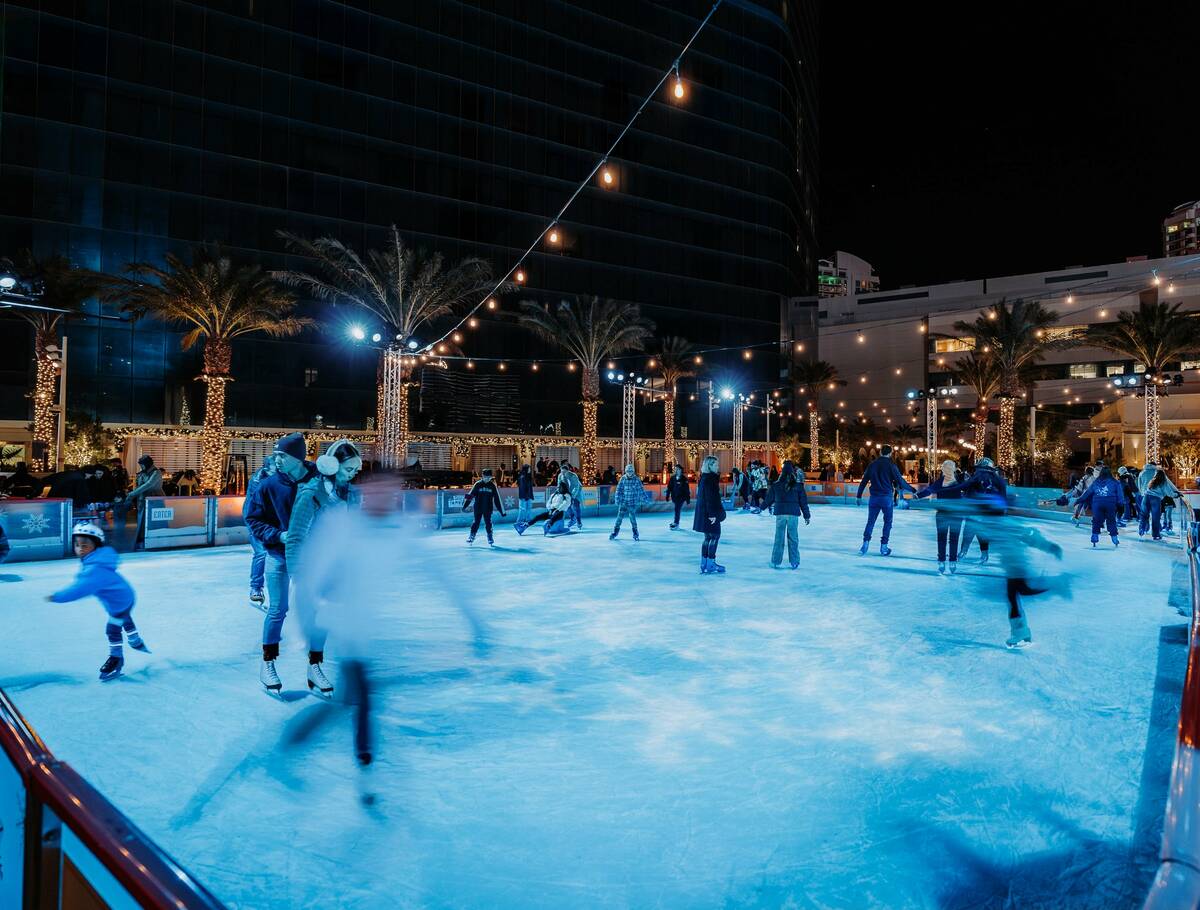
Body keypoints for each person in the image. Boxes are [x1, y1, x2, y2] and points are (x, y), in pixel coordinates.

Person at [284, 439, 362, 698]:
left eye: (355, 470)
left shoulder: (352, 494)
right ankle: (314, 665)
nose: (353, 474)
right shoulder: (311, 493)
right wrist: (297, 574)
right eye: (349, 469)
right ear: (331, 465)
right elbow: (296, 535)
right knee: (315, 620)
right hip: (314, 568)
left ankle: (320, 664)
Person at [245, 432, 317, 696]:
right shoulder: (268, 485)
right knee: (278, 608)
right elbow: (253, 519)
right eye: (275, 455)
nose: (276, 460)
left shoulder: (318, 481)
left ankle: (315, 665)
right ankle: (268, 663)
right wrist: (278, 535)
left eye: (282, 455)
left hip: (309, 557)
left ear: (297, 458)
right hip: (279, 555)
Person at [45, 521, 148, 681]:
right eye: (77, 545)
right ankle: (134, 638)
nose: (80, 549)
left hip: (119, 602)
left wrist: (57, 597)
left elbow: (78, 589)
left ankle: (116, 658)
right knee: (124, 616)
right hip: (124, 597)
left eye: (85, 545)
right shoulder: (97, 560)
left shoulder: (95, 569)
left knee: (112, 629)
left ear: (96, 546)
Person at [944, 457, 1008, 565]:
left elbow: (965, 486)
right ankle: (983, 555)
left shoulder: (979, 476)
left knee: (969, 531)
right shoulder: (998, 480)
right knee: (981, 533)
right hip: (987, 512)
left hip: (975, 510)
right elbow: (1003, 497)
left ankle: (964, 553)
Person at [856, 445, 915, 556]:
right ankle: (884, 547)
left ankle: (865, 543)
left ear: (880, 452)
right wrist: (912, 490)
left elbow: (864, 481)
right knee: (887, 522)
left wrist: (858, 496)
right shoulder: (891, 465)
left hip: (874, 498)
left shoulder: (872, 465)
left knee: (870, 521)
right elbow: (901, 481)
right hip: (886, 498)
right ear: (890, 453)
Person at [914, 459, 965, 574]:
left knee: (942, 538)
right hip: (955, 514)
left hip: (944, 514)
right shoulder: (959, 481)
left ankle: (942, 561)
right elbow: (968, 491)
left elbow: (929, 490)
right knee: (953, 538)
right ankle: (951, 562)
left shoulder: (941, 481)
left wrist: (917, 496)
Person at [764, 459, 810, 569]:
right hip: (793, 514)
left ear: (782, 472)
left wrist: (761, 508)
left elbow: (769, 499)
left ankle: (776, 561)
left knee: (779, 538)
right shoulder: (798, 486)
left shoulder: (776, 485)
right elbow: (803, 502)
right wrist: (806, 515)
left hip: (780, 514)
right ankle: (794, 561)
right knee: (793, 538)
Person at [244, 454, 276, 609]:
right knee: (261, 553)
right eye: (276, 468)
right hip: (256, 522)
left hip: (269, 522)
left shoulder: (274, 479)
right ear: (268, 468)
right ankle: (256, 588)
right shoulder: (259, 482)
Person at [1073, 465, 1124, 548]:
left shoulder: (1096, 482)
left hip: (1097, 504)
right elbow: (1120, 495)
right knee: (1111, 520)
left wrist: (1079, 500)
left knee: (1096, 520)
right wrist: (1121, 504)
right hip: (1110, 504)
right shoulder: (1115, 482)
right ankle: (1114, 538)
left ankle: (1094, 537)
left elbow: (1088, 492)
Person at [693, 455, 727, 574]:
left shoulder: (704, 478)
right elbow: (709, 498)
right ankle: (710, 563)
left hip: (705, 513)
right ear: (709, 466)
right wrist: (712, 515)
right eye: (716, 465)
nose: (718, 467)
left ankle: (704, 563)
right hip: (710, 513)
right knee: (715, 536)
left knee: (708, 537)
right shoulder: (710, 479)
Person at [126, 455, 164, 546]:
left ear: (147, 464)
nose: (141, 467)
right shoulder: (142, 473)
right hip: (142, 500)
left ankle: (154, 540)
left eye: (142, 465)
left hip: (154, 500)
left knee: (153, 522)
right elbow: (139, 486)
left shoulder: (156, 472)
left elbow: (148, 484)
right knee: (142, 521)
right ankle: (141, 540)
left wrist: (132, 494)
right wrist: (132, 495)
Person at [462, 468, 506, 546]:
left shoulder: (492, 486)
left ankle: (490, 536)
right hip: (478, 507)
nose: (487, 479)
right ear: (482, 476)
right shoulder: (478, 484)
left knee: (488, 522)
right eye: (486, 477)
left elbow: (497, 499)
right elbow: (470, 495)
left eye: (489, 477)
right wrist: (464, 506)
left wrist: (502, 512)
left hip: (488, 508)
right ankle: (472, 535)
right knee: (476, 522)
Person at [1143, 468, 1181, 541]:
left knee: (1145, 515)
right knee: (1155, 517)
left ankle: (1142, 530)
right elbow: (1169, 493)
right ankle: (1156, 534)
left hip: (1146, 497)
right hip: (1155, 499)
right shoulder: (1163, 482)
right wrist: (1177, 494)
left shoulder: (1152, 481)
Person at [610, 464, 644, 540]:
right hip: (623, 502)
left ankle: (635, 533)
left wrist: (645, 498)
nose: (629, 472)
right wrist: (617, 499)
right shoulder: (623, 479)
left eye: (631, 471)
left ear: (633, 471)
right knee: (619, 518)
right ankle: (615, 532)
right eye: (628, 471)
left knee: (632, 518)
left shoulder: (636, 479)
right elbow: (618, 490)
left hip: (632, 503)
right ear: (626, 471)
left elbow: (641, 490)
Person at [666, 464, 691, 529]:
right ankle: (676, 522)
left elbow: (687, 489)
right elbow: (669, 487)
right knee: (677, 509)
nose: (676, 470)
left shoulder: (684, 479)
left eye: (678, 469)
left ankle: (676, 523)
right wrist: (667, 495)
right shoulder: (673, 478)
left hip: (681, 497)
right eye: (676, 469)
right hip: (674, 497)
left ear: (681, 470)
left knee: (677, 509)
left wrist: (688, 499)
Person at [561, 463, 584, 529]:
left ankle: (579, 521)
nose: (563, 473)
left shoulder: (573, 476)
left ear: (568, 471)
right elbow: (559, 485)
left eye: (564, 472)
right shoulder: (560, 476)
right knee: (567, 505)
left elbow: (576, 487)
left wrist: (572, 497)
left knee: (576, 506)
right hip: (568, 492)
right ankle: (573, 518)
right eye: (562, 471)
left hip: (577, 492)